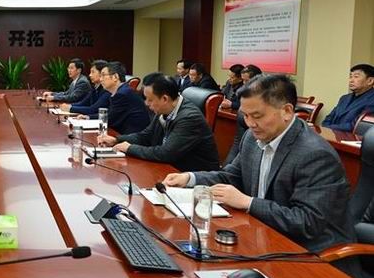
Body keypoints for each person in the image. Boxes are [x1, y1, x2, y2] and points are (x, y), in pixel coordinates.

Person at [163, 74, 355, 256]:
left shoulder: (315, 154)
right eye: (245, 116)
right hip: (263, 236)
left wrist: (248, 203)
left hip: (313, 254)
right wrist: (189, 178)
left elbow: (307, 222)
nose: (250, 123)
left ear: (287, 111)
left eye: (257, 116)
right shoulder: (252, 138)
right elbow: (232, 176)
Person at [97, 73, 219, 171]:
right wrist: (117, 140)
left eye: (150, 100)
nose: (146, 104)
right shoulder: (164, 110)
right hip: (171, 168)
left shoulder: (189, 118)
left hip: (193, 176)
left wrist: (129, 148)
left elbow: (166, 153)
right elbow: (145, 136)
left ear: (165, 98)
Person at [97, 62, 151, 134]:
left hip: (133, 137)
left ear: (115, 77)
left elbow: (109, 119)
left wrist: (87, 119)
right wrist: (87, 117)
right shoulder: (122, 90)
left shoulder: (122, 94)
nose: (100, 79)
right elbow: (109, 114)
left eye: (103, 75)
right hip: (126, 133)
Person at [322, 64, 374, 132]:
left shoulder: (372, 100)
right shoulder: (344, 98)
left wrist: (328, 128)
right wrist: (325, 128)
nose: (351, 80)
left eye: (356, 77)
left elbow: (357, 126)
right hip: (331, 134)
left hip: (351, 137)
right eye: (350, 76)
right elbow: (329, 118)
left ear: (370, 81)